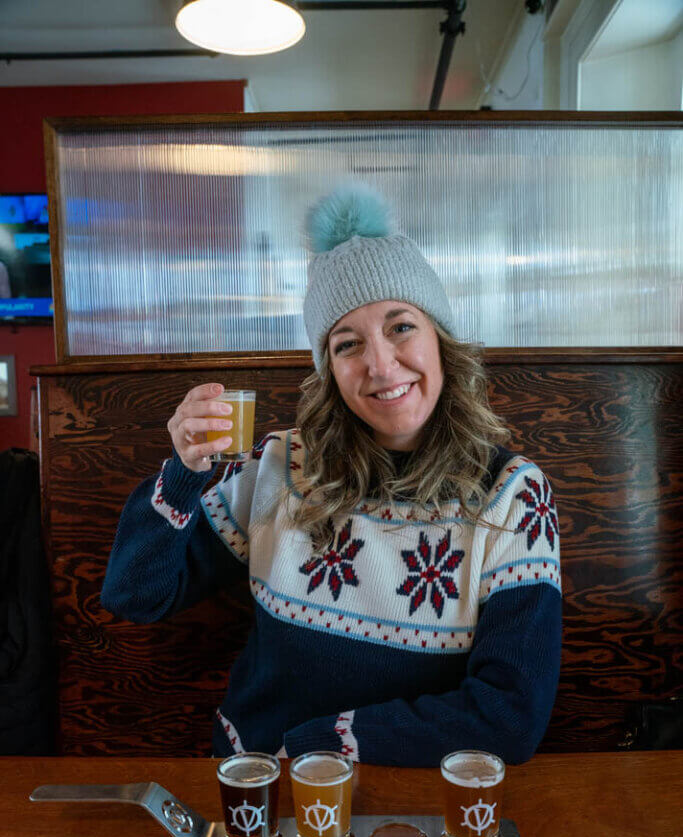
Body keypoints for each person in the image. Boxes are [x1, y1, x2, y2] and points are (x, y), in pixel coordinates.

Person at [101, 183, 562, 767]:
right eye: (348, 344)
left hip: (409, 794)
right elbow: (137, 595)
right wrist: (186, 473)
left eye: (401, 327)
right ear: (330, 373)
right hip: (259, 788)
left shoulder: (514, 497)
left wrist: (321, 746)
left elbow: (510, 717)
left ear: (441, 341)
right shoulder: (278, 467)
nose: (380, 364)